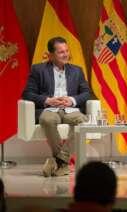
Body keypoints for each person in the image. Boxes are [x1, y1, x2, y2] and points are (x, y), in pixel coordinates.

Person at [22, 37, 90, 177]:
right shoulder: (38, 69)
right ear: (51, 55)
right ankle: (63, 163)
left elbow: (86, 93)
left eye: (66, 51)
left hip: (70, 109)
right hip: (49, 109)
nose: (65, 54)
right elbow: (27, 93)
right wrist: (48, 100)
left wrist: (71, 100)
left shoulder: (77, 71)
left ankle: (58, 161)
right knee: (47, 120)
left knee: (84, 121)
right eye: (61, 52)